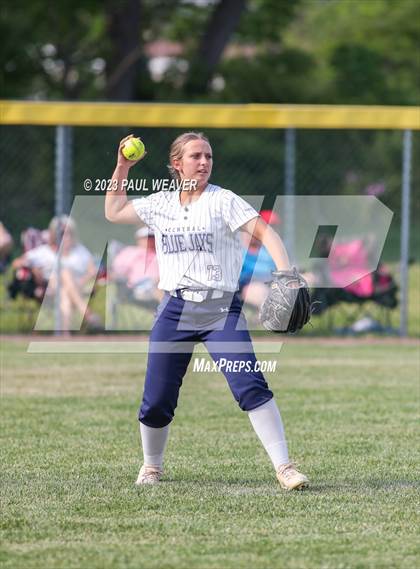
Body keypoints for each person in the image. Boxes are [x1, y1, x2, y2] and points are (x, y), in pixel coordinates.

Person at [105, 132, 308, 490]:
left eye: (208, 156)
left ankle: (285, 467)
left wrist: (286, 274)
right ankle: (152, 467)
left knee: (249, 385)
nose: (203, 162)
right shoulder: (160, 204)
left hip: (220, 311)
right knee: (156, 399)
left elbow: (266, 234)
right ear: (177, 164)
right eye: (195, 156)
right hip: (174, 308)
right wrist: (123, 166)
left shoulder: (223, 201)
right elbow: (114, 211)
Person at [12, 215, 101, 331]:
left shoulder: (80, 250)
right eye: (62, 232)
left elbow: (93, 270)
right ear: (54, 234)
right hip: (50, 287)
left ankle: (64, 335)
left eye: (69, 232)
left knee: (65, 291)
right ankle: (87, 313)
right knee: (64, 272)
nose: (66, 236)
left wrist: (80, 281)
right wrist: (34, 268)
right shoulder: (44, 251)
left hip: (78, 285)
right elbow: (17, 262)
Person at [239, 210, 280, 310]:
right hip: (250, 286)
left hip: (271, 283)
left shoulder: (268, 249)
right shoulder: (239, 250)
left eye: (273, 227)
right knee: (259, 291)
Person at [111, 227, 161, 303]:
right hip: (138, 287)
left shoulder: (161, 254)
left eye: (152, 237)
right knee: (160, 290)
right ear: (139, 239)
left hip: (160, 282)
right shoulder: (130, 252)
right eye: (147, 237)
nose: (150, 240)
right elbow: (118, 271)